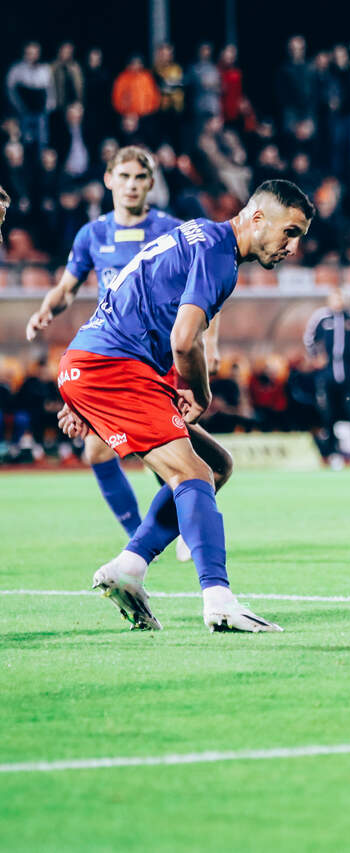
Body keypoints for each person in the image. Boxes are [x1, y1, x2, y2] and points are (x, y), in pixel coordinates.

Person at [54, 179, 314, 632]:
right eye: (289, 232)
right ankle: (219, 600)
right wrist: (201, 391)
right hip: (110, 366)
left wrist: (81, 388)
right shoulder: (218, 255)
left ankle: (130, 567)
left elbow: (136, 299)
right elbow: (184, 339)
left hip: (99, 361)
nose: (293, 246)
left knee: (216, 465)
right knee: (192, 474)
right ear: (257, 218)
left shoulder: (200, 235)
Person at [25, 146, 218, 555]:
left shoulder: (172, 230)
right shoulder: (92, 234)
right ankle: (141, 534)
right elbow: (67, 287)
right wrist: (46, 309)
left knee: (171, 450)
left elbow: (204, 290)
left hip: (159, 355)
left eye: (140, 177)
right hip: (113, 356)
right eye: (124, 176)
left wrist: (210, 343)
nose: (131, 185)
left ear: (151, 183)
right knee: (97, 451)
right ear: (109, 180)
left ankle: (177, 530)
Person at [303, 286, 350, 469]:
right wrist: (317, 356)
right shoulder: (322, 318)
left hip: (349, 374)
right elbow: (309, 339)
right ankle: (333, 454)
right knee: (328, 414)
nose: (338, 302)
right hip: (327, 375)